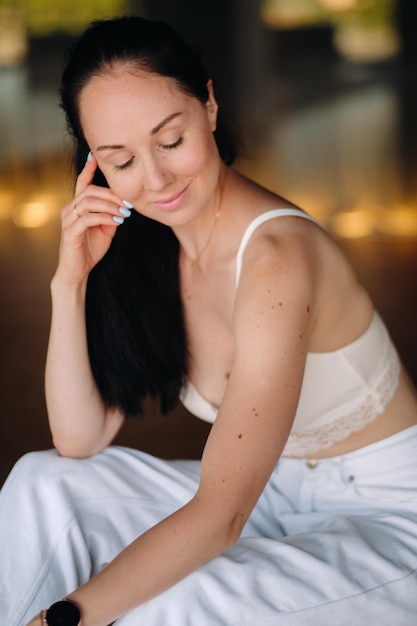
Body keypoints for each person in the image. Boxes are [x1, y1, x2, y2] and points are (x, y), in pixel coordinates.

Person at [1, 15, 417, 626]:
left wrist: (60, 620)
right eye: (122, 160)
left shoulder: (276, 259)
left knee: (169, 601)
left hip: (386, 519)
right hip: (273, 495)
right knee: (42, 483)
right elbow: (78, 440)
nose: (157, 179)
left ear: (211, 106)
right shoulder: (147, 247)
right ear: (96, 166)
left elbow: (221, 513)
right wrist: (71, 281)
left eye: (170, 141)